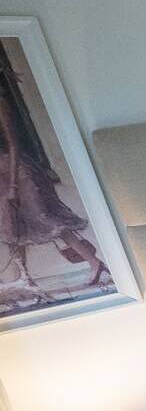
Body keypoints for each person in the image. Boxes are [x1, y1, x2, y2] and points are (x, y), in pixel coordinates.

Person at [0, 51, 108, 292]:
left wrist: (13, 186)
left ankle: (93, 262)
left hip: (15, 171)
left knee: (46, 219)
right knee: (12, 226)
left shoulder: (1, 104)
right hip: (1, 175)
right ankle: (25, 276)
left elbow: (14, 144)